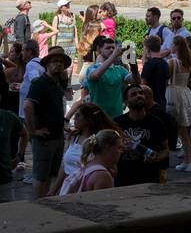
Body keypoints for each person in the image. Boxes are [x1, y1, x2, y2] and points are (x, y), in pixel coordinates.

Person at [23, 47, 72, 198]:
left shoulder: (56, 83)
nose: (58, 64)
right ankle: (39, 207)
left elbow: (65, 96)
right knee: (41, 175)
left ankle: (46, 204)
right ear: (47, 65)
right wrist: (33, 131)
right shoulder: (40, 83)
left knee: (51, 174)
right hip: (44, 139)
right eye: (54, 61)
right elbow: (27, 106)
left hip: (56, 137)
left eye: (61, 62)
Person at [49, 102, 118, 196]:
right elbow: (65, 167)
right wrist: (53, 190)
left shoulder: (101, 141)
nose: (74, 118)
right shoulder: (74, 137)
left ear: (88, 119)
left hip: (88, 188)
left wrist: (89, 169)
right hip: (70, 187)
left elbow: (113, 171)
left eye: (78, 115)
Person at [115, 84, 169, 187]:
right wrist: (121, 149)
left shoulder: (157, 123)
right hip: (123, 179)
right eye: (133, 94)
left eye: (141, 93)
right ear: (126, 102)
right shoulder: (117, 123)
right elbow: (108, 150)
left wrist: (157, 158)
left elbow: (166, 150)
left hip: (149, 179)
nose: (138, 95)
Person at [167, 34, 191, 171]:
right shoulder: (187, 62)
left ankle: (186, 161)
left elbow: (166, 78)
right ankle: (188, 161)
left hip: (173, 94)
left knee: (177, 129)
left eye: (172, 44)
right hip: (184, 93)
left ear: (176, 46)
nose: (170, 46)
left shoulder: (173, 62)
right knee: (184, 132)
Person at [58, 128, 123, 195]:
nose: (121, 151)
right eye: (119, 147)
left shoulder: (88, 165)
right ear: (107, 148)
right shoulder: (102, 176)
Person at [81, 36, 127, 121]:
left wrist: (133, 62)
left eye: (113, 47)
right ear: (99, 49)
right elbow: (94, 77)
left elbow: (135, 81)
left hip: (117, 116)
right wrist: (113, 56)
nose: (111, 50)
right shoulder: (92, 68)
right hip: (98, 117)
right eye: (108, 48)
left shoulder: (119, 69)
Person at [0, 101, 26, 203]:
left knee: (7, 214)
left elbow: (24, 134)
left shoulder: (7, 117)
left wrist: (19, 156)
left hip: (4, 178)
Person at [141, 35, 170, 110]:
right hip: (162, 103)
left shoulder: (148, 64)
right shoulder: (165, 63)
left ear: (148, 49)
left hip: (150, 104)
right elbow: (166, 84)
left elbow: (142, 85)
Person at [51, 0, 80, 74]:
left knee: (71, 65)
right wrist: (53, 46)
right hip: (61, 46)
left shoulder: (72, 16)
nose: (68, 6)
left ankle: (69, 84)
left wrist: (76, 42)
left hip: (71, 46)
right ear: (61, 8)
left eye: (68, 4)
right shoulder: (57, 18)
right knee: (60, 66)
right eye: (66, 5)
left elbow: (75, 29)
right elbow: (54, 33)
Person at [18, 38, 44, 118]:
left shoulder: (31, 65)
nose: (21, 53)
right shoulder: (40, 62)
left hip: (27, 113)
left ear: (29, 52)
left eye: (23, 50)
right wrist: (22, 85)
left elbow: (35, 81)